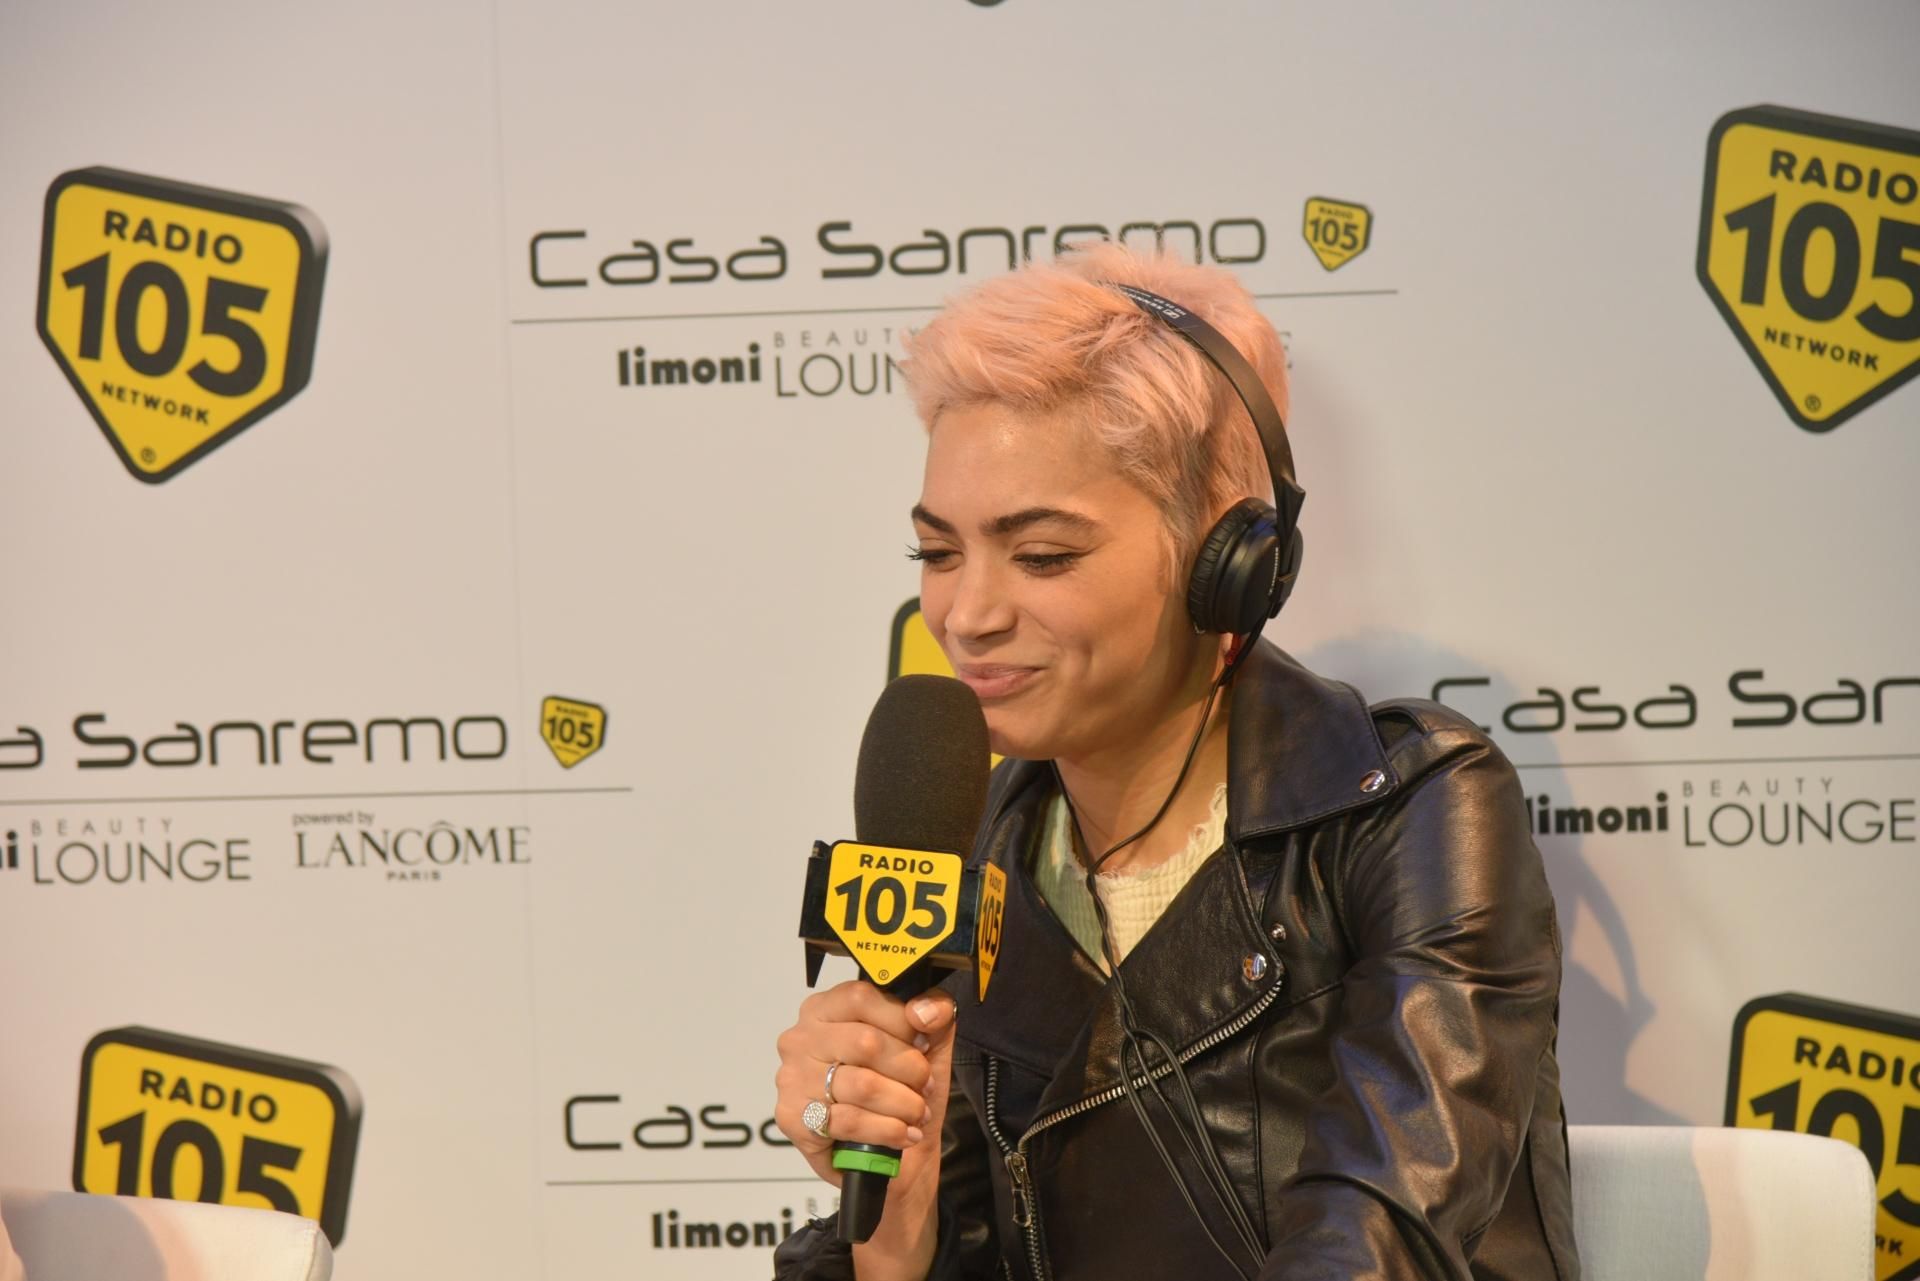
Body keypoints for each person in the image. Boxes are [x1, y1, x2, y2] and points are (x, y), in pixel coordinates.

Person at [772, 241, 1579, 1281]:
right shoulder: (978, 854)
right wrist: (897, 1220)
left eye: (1043, 554)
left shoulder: (1409, 811)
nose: (965, 614)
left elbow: (1375, 1249)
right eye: (937, 553)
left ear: (1227, 562)